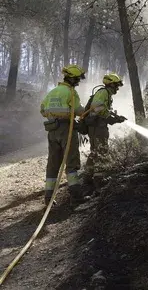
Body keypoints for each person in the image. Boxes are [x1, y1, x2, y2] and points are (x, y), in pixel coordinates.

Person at [40, 65, 89, 206]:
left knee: (53, 163)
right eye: (78, 79)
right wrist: (86, 112)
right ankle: (76, 198)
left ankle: (48, 198)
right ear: (72, 79)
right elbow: (79, 110)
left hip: (52, 129)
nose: (79, 82)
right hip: (67, 128)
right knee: (72, 162)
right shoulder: (71, 93)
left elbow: (42, 109)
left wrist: (54, 115)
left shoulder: (53, 91)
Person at [83, 73, 126, 187]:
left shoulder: (106, 94)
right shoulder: (103, 92)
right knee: (102, 150)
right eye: (116, 85)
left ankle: (87, 176)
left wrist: (115, 118)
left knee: (95, 151)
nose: (117, 88)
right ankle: (99, 179)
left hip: (97, 126)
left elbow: (102, 111)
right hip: (97, 127)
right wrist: (109, 117)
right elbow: (96, 108)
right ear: (110, 84)